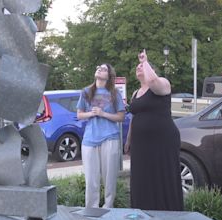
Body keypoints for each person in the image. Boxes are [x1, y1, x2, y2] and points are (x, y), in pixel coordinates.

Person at [125, 49, 183, 210]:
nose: (139, 67)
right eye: (138, 66)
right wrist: (129, 139)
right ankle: (144, 210)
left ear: (151, 69)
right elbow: (135, 116)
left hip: (162, 140)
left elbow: (152, 81)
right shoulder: (136, 92)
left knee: (162, 176)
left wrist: (145, 61)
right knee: (142, 177)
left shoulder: (163, 84)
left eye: (142, 66)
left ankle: (168, 212)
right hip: (141, 144)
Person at [77, 63, 125, 208]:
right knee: (91, 179)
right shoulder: (86, 92)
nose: (99, 69)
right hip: (89, 140)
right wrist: (91, 113)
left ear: (109, 76)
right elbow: (79, 115)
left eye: (104, 69)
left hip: (110, 138)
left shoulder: (114, 93)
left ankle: (108, 209)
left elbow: (121, 117)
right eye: (98, 67)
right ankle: (92, 210)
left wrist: (103, 113)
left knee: (109, 178)